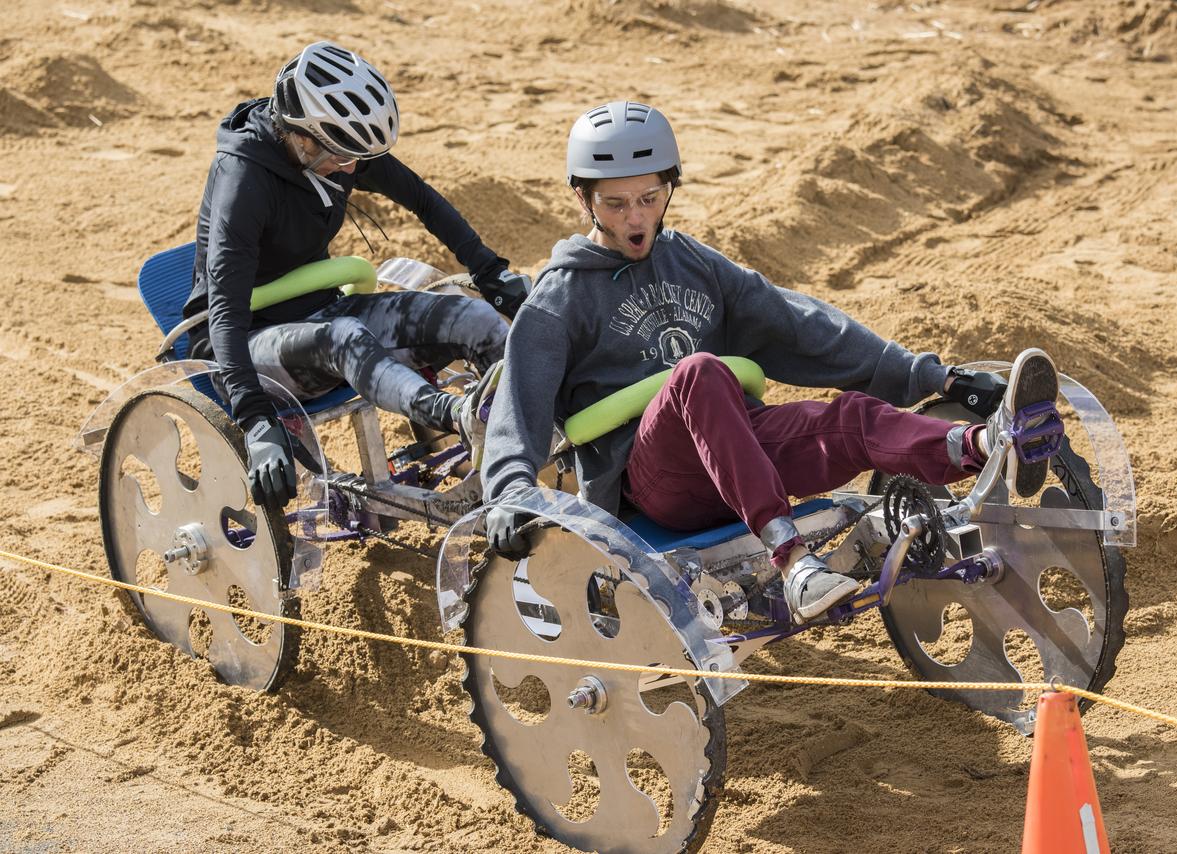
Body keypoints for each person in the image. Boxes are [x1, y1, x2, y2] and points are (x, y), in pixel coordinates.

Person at [480, 101, 1059, 623]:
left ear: (669, 189)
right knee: (700, 374)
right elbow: (518, 405)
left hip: (737, 450)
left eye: (649, 198)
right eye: (616, 203)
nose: (635, 217)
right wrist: (508, 492)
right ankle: (795, 564)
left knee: (853, 416)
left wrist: (934, 376)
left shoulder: (691, 262)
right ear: (584, 198)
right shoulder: (560, 296)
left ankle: (987, 445)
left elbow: (799, 325)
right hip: (652, 478)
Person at [183, 41, 530, 512]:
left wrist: (490, 272)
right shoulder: (243, 180)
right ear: (303, 135)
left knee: (474, 317)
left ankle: (520, 448)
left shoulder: (336, 147)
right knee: (345, 336)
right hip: (245, 342)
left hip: (320, 311)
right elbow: (224, 308)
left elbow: (423, 200)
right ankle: (466, 418)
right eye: (342, 156)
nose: (352, 169)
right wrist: (256, 419)